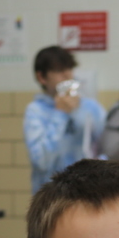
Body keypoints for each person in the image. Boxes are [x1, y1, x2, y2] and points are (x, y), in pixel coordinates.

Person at [23, 45, 106, 194]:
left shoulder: (90, 107)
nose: (67, 75)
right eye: (59, 70)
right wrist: (60, 114)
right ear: (41, 77)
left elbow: (108, 148)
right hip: (50, 197)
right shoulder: (35, 111)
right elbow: (41, 161)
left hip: (86, 193)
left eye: (69, 69)